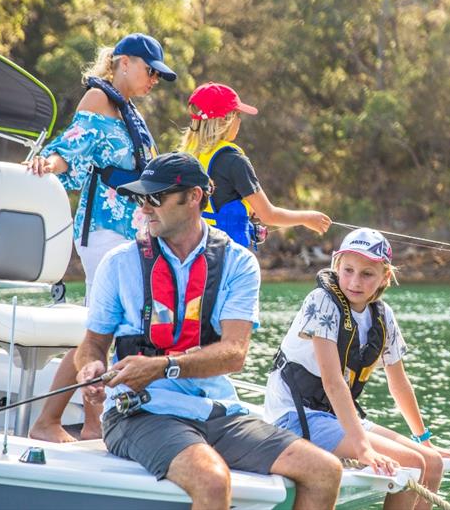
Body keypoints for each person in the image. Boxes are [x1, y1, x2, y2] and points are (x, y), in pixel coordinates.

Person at [75, 153, 342, 510]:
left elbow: (234, 353)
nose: (145, 208)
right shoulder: (120, 262)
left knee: (325, 471)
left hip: (218, 412)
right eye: (141, 198)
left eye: (156, 197)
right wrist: (91, 368)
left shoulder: (238, 262)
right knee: (213, 481)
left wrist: (161, 366)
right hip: (141, 413)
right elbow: (93, 344)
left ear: (195, 197)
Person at [26, 32, 177, 443]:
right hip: (104, 229)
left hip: (129, 231)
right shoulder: (98, 101)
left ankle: (81, 423)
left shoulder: (129, 111)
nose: (153, 81)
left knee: (101, 326)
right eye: (151, 72)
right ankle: (69, 424)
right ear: (124, 62)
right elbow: (69, 151)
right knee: (102, 326)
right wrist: (48, 164)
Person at [264, 227, 450, 510]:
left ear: (384, 277)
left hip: (336, 416)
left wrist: (423, 439)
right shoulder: (321, 302)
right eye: (348, 270)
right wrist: (363, 448)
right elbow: (332, 382)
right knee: (412, 464)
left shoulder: (383, 315)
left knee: (433, 463)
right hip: (295, 415)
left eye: (367, 274)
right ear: (336, 266)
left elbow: (399, 383)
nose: (355, 281)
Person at [178, 82, 331, 247]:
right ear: (225, 119)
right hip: (228, 260)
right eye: (237, 115)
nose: (239, 121)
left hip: (192, 255)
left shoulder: (185, 157)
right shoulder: (234, 161)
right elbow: (268, 215)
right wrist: (307, 218)